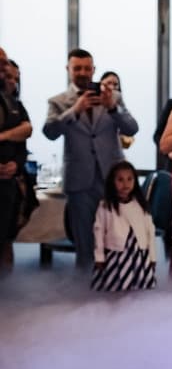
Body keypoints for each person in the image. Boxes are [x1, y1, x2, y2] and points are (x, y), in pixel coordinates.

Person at [42, 48, 140, 271]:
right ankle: (84, 287)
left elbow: (132, 128)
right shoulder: (58, 101)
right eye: (77, 68)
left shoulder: (113, 98)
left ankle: (117, 281)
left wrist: (113, 108)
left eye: (87, 68)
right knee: (85, 242)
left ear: (94, 69)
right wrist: (75, 110)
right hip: (79, 181)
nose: (83, 73)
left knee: (116, 237)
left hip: (113, 179)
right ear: (68, 69)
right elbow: (50, 132)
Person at [91, 161, 156, 291]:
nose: (126, 184)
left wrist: (152, 256)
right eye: (120, 180)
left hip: (139, 255)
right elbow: (98, 232)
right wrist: (99, 256)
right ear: (112, 182)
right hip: (115, 255)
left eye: (129, 179)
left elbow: (150, 231)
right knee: (114, 289)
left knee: (139, 290)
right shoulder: (105, 206)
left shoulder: (140, 204)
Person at [0, 46, 33, 272]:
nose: (5, 67)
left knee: (5, 240)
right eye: (2, 63)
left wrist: (16, 164)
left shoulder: (12, 103)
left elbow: (26, 131)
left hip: (8, 183)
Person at [100, 71, 135, 150]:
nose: (112, 87)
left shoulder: (120, 107)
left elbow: (132, 130)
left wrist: (114, 109)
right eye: (108, 83)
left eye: (115, 84)